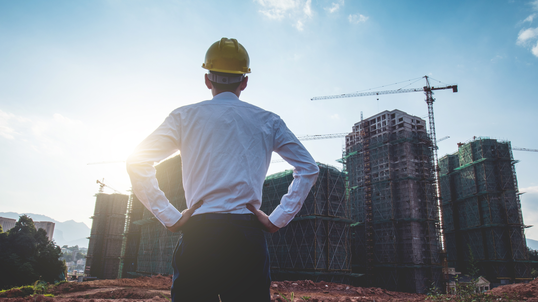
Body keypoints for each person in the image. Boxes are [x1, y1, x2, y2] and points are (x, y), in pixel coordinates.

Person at [126, 37, 319, 302]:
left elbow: (137, 161)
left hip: (200, 235)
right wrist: (277, 219)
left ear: (208, 80)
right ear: (245, 81)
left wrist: (170, 216)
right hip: (246, 237)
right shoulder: (268, 121)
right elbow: (308, 168)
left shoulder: (183, 117)